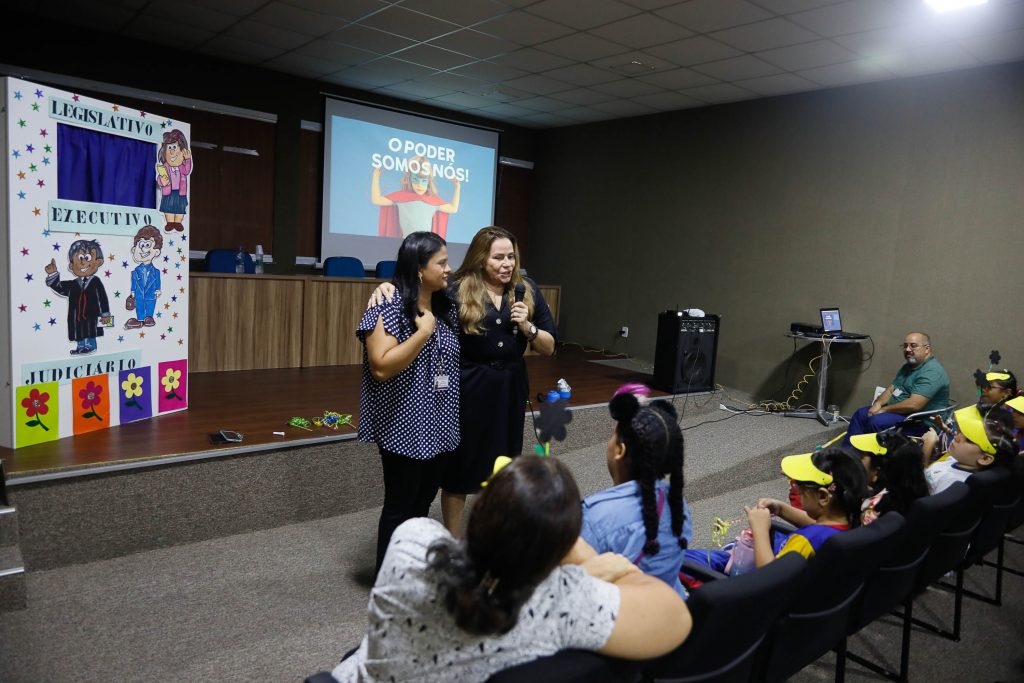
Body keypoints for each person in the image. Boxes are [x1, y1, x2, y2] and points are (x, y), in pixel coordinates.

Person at [331, 456, 692, 682]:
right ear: (560, 547)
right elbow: (675, 615)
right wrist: (580, 557)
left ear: (481, 511)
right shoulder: (565, 600)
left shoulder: (413, 545)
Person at [368, 226, 558, 535]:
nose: (507, 264)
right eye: (498, 257)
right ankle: (453, 541)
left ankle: (492, 532)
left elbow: (549, 347)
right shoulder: (456, 288)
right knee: (461, 469)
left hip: (510, 388)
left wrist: (529, 328)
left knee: (505, 465)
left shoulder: (527, 289)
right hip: (468, 388)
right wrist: (384, 289)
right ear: (482, 259)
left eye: (511, 256)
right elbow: (415, 290)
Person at [356, 231, 460, 574]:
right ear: (418, 268)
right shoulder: (388, 304)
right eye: (441, 263)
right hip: (403, 426)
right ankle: (387, 579)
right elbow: (381, 366)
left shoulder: (447, 307)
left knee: (422, 503)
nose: (448, 269)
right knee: (400, 506)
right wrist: (422, 333)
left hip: (440, 425)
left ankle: (411, 570)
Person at [581, 387, 692, 598]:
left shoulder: (596, 516)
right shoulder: (680, 507)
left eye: (613, 436)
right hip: (669, 611)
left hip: (619, 621)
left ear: (620, 450)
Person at [685, 448, 868, 572]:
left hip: (758, 597)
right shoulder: (850, 522)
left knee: (683, 561)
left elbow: (769, 578)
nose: (793, 487)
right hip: (803, 587)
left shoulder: (804, 541)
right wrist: (780, 509)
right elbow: (818, 525)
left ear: (822, 496)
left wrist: (760, 530)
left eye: (797, 485)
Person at [844, 332, 950, 442]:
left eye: (913, 346)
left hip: (920, 422)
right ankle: (847, 455)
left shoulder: (932, 372)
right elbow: (891, 389)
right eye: (905, 346)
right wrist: (878, 404)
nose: (908, 349)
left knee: (876, 422)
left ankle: (868, 457)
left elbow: (914, 405)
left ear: (927, 349)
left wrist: (883, 410)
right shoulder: (908, 366)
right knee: (861, 414)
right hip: (900, 414)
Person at [922, 404, 1020, 494]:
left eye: (968, 440)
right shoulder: (958, 459)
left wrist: (928, 446)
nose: (956, 437)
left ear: (985, 458)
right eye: (961, 432)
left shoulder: (953, 484)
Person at [44, 240, 112, 355]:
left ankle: (90, 346)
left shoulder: (95, 281)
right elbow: (60, 287)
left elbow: (103, 298)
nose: (83, 263)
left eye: (87, 258)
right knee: (78, 330)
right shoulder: (73, 284)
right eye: (79, 259)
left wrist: (105, 314)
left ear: (98, 262)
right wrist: (53, 274)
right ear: (71, 265)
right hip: (77, 316)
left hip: (92, 315)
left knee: (90, 330)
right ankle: (80, 346)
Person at [849, 431, 930, 524]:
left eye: (860, 456)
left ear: (877, 472)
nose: (853, 460)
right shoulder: (915, 491)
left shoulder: (871, 512)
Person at [372, 156, 460, 238]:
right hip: (407, 242)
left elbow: (453, 208)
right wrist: (376, 177)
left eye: (424, 181)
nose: (419, 185)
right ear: (410, 180)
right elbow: (376, 200)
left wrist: (457, 188)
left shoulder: (433, 201)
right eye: (415, 180)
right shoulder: (401, 197)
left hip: (425, 244)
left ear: (428, 182)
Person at [125, 225, 162, 330]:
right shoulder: (135, 271)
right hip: (139, 293)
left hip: (151, 293)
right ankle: (140, 319)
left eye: (147, 245)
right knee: (140, 305)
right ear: (133, 249)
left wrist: (158, 289)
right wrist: (132, 291)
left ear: (156, 251)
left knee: (150, 304)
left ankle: (149, 317)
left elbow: (158, 281)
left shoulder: (156, 272)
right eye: (141, 245)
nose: (143, 249)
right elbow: (134, 282)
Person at [156, 129, 191, 232]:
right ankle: (170, 222)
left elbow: (187, 171)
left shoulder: (182, 167)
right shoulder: (165, 167)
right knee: (168, 208)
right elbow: (159, 178)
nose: (172, 151)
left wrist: (188, 159)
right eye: (169, 148)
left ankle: (178, 222)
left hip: (180, 193)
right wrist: (162, 180)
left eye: (175, 147)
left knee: (180, 208)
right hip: (168, 192)